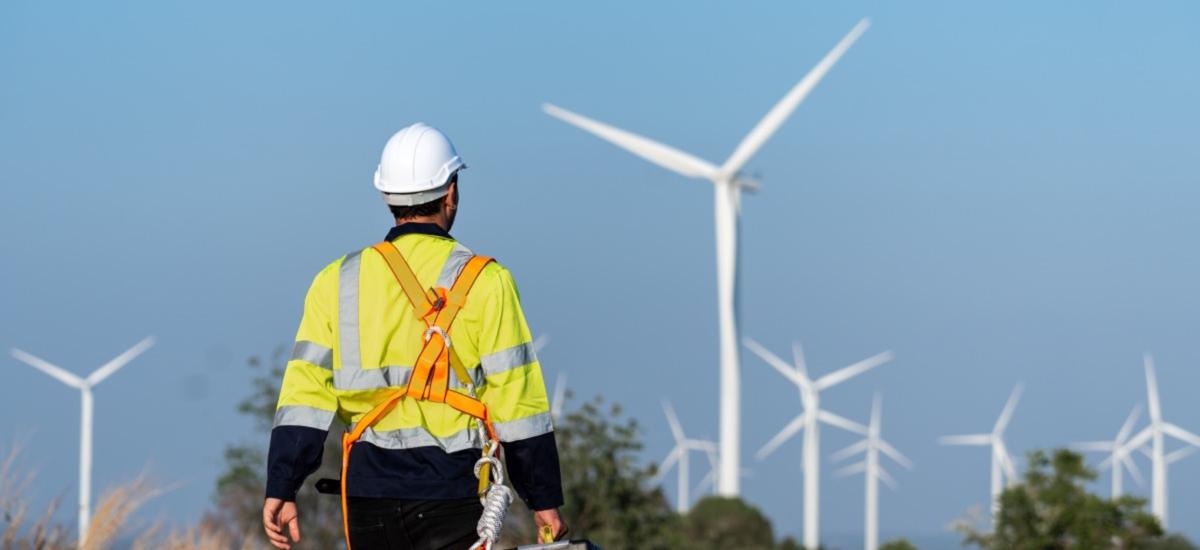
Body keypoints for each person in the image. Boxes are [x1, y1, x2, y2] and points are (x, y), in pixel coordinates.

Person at [261, 123, 566, 549]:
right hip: (452, 490)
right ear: (451, 192)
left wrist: (282, 484)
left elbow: (304, 395)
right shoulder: (487, 280)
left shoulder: (336, 280)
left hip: (367, 495)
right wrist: (544, 500)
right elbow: (518, 402)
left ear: (387, 196)